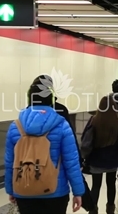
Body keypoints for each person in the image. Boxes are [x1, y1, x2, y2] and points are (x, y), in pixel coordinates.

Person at [4, 83, 84, 214]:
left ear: (30, 100)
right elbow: (71, 163)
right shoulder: (62, 125)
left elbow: (9, 162)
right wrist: (78, 192)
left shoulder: (15, 127)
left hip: (25, 189)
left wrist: (11, 188)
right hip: (55, 192)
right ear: (51, 101)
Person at [32, 75, 94, 212]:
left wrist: (12, 187)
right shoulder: (61, 110)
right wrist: (78, 160)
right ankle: (91, 206)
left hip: (29, 176)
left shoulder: (24, 116)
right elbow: (70, 143)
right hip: (55, 176)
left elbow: (12, 156)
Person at [82, 96, 118, 214]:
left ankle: (93, 208)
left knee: (96, 185)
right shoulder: (117, 123)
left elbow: (85, 140)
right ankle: (110, 208)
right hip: (112, 161)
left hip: (96, 161)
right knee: (111, 184)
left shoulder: (94, 120)